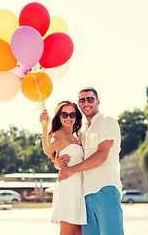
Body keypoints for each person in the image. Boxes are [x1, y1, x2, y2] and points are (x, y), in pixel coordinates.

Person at [58, 87, 124, 235]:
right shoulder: (83, 131)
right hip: (86, 194)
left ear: (98, 101)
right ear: (79, 105)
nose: (86, 103)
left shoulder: (107, 121)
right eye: (82, 100)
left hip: (106, 188)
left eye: (90, 99)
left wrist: (71, 171)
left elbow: (101, 155)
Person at [40, 100, 87, 235]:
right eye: (64, 114)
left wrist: (57, 163)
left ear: (77, 117)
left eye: (72, 114)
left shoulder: (77, 136)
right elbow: (48, 150)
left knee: (79, 233)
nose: (68, 118)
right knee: (67, 232)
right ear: (59, 116)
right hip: (69, 187)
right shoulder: (59, 135)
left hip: (80, 188)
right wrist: (44, 126)